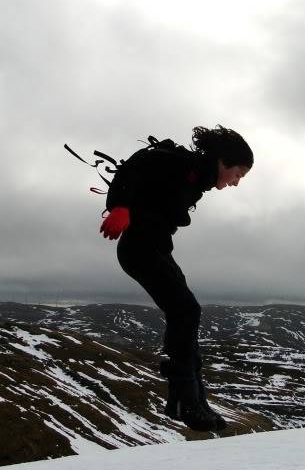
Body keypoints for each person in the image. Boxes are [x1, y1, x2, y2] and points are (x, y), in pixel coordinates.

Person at [99, 125, 253, 432]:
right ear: (224, 161)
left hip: (153, 247)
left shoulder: (197, 178)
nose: (236, 182)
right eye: (239, 174)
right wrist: (119, 207)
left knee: (187, 312)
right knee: (185, 310)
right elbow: (134, 167)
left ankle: (190, 400)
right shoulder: (184, 165)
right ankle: (187, 403)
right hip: (139, 247)